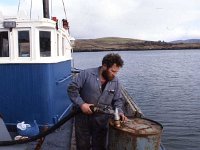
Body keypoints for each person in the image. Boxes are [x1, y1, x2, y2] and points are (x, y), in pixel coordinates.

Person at [67, 53, 126, 150]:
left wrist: (119, 111)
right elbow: (72, 89)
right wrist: (82, 104)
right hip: (82, 119)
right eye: (112, 71)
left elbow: (118, 100)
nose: (114, 75)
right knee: (82, 146)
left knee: (100, 147)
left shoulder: (116, 81)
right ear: (104, 66)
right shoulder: (85, 74)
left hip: (102, 121)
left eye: (116, 72)